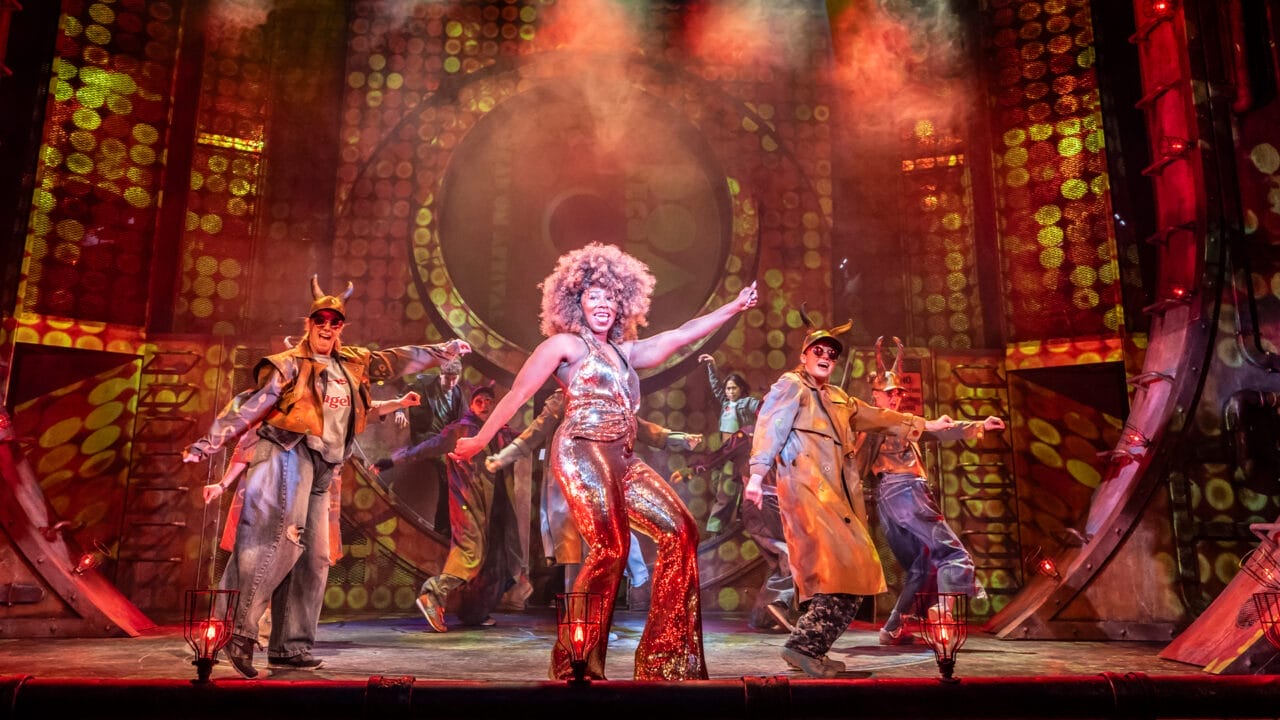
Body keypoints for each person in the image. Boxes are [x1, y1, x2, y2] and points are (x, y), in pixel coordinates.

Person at [450, 242, 758, 681]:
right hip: (581, 448)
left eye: (611, 297)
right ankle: (576, 660)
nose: (603, 304)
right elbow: (518, 394)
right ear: (575, 302)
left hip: (623, 457)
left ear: (623, 305)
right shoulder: (565, 346)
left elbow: (681, 334)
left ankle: (666, 661)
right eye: (593, 295)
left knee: (682, 531)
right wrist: (480, 440)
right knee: (611, 547)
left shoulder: (626, 353)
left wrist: (732, 307)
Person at [182, 276, 470, 678]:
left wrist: (444, 351)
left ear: (341, 328)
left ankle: (290, 646)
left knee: (315, 558)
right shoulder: (289, 365)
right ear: (309, 322)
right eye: (321, 320)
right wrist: (206, 444)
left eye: (335, 322)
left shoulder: (352, 363)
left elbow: (400, 357)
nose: (327, 327)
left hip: (326, 465)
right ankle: (241, 632)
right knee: (275, 543)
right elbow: (248, 407)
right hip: (286, 450)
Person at [744, 321, 954, 678]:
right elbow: (770, 427)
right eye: (819, 351)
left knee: (856, 573)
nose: (826, 357)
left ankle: (805, 646)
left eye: (832, 354)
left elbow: (883, 417)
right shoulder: (791, 386)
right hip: (807, 494)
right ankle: (805, 647)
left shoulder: (839, 399)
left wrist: (931, 425)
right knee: (846, 570)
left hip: (837, 500)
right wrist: (757, 475)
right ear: (804, 355)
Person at [203, 389, 418, 648]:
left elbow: (363, 409)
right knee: (257, 557)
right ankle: (230, 626)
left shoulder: (332, 407)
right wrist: (223, 484)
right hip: (274, 493)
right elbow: (247, 447)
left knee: (304, 563)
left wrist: (398, 403)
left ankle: (282, 637)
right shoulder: (282, 410)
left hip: (311, 496)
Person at [484, 388, 703, 610]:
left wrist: (678, 438)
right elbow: (537, 430)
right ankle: (578, 622)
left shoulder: (611, 396)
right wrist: (503, 457)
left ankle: (591, 621)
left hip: (604, 483)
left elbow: (637, 425)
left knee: (606, 551)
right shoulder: (565, 397)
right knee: (576, 556)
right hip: (572, 483)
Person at [857, 336, 1004, 646]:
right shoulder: (874, 421)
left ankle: (892, 627)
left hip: (889, 502)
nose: (894, 398)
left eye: (898, 392)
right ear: (874, 395)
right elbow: (916, 428)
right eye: (888, 393)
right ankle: (943, 608)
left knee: (920, 565)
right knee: (952, 554)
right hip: (905, 491)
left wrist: (978, 425)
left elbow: (937, 431)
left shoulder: (897, 423)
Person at [371, 385, 524, 631]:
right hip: (469, 503)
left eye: (488, 402)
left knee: (496, 561)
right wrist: (390, 461)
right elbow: (424, 449)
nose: (485, 405)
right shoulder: (461, 430)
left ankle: (475, 612)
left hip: (496, 509)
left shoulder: (500, 432)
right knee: (469, 553)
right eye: (479, 401)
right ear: (471, 405)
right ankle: (432, 595)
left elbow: (529, 439)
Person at [695, 354, 793, 632]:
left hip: (772, 502)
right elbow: (718, 454)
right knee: (787, 556)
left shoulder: (773, 432)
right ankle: (716, 529)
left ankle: (762, 616)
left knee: (779, 562)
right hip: (756, 501)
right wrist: (694, 469)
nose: (729, 392)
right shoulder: (746, 432)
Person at [394, 357, 466, 534]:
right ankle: (443, 527)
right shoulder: (423, 384)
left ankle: (446, 526)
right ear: (440, 374)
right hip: (425, 437)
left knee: (454, 476)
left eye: (454, 378)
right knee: (446, 471)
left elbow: (463, 420)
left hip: (443, 442)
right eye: (447, 377)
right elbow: (401, 397)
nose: (450, 382)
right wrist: (400, 411)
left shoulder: (457, 393)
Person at [697, 354, 761, 533]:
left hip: (737, 454)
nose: (730, 392)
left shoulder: (745, 403)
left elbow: (761, 407)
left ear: (741, 389)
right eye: (728, 389)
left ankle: (718, 528)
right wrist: (711, 365)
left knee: (728, 490)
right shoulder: (726, 404)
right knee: (722, 487)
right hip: (724, 453)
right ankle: (725, 523)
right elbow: (716, 386)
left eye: (734, 389)